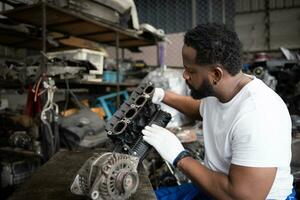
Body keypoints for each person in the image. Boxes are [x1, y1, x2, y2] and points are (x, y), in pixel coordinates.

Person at [142, 23, 296, 200]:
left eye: (190, 70)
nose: (184, 76)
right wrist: (162, 95)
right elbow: (200, 109)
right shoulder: (221, 91)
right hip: (217, 187)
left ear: (216, 74)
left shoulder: (258, 115)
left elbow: (244, 197)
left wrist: (179, 157)